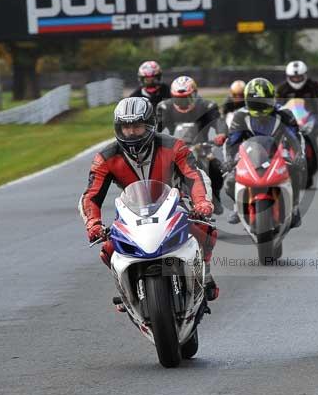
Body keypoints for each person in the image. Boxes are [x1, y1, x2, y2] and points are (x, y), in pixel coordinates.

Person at [79, 96, 219, 301]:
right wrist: (93, 223)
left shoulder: (174, 146)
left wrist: (202, 202)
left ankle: (205, 272)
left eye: (137, 126)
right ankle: (126, 292)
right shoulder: (105, 158)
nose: (131, 132)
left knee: (204, 229)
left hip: (173, 203)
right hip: (132, 209)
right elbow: (91, 195)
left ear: (150, 125)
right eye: (126, 127)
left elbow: (194, 176)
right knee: (109, 248)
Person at [224, 77, 307, 227]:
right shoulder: (240, 116)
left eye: (264, 102)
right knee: (229, 181)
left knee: (295, 171)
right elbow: (232, 141)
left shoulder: (284, 114)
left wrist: (299, 155)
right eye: (256, 103)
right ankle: (238, 206)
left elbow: (296, 137)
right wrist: (229, 159)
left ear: (272, 99)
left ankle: (294, 208)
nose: (261, 107)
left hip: (279, 153)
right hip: (249, 155)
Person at [157, 75, 228, 214]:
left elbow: (218, 121)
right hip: (175, 147)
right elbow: (156, 126)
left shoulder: (207, 106)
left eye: (186, 98)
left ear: (195, 94)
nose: (183, 102)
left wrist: (221, 133)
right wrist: (154, 139)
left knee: (215, 166)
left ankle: (215, 196)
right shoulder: (165, 107)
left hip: (202, 147)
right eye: (179, 99)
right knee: (158, 168)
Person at [275, 60, 318, 125]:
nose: (296, 79)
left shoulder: (313, 85)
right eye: (294, 77)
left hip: (310, 117)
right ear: (288, 76)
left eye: (299, 77)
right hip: (290, 118)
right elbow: (278, 105)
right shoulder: (282, 88)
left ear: (304, 75)